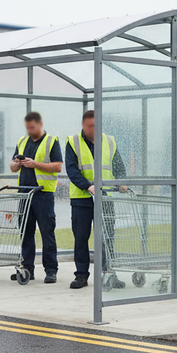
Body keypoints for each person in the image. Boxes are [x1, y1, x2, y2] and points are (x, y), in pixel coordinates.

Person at [65, 110, 127, 289]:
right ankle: (81, 276)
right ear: (83, 125)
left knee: (107, 236)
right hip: (82, 198)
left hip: (105, 196)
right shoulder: (73, 142)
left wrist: (121, 181)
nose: (93, 129)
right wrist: (87, 185)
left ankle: (109, 273)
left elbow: (118, 165)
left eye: (95, 125)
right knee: (81, 237)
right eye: (89, 126)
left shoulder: (109, 141)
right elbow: (71, 169)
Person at [10, 111, 63, 283]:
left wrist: (35, 164)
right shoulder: (22, 141)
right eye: (27, 128)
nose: (29, 131)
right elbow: (12, 168)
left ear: (40, 124)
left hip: (43, 194)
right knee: (25, 232)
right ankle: (27, 269)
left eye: (32, 127)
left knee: (47, 232)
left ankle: (51, 270)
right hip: (24, 194)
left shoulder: (51, 141)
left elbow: (58, 167)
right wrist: (16, 163)